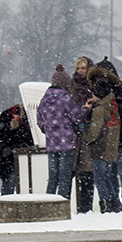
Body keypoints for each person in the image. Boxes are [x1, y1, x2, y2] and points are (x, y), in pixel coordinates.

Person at [36, 64, 85, 199]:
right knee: (65, 177)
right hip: (67, 143)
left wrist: (48, 130)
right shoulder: (65, 98)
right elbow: (77, 117)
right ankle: (62, 204)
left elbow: (39, 120)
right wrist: (85, 109)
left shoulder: (44, 99)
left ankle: (49, 203)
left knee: (53, 177)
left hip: (51, 144)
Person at [98, 57, 122, 212]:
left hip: (121, 136)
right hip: (114, 136)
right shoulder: (119, 88)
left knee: (121, 171)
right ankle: (116, 201)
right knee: (113, 172)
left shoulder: (121, 88)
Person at [81, 71, 121, 213]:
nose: (91, 96)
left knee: (100, 178)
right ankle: (114, 203)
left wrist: (87, 139)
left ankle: (105, 204)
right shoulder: (112, 107)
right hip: (111, 148)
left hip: (100, 148)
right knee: (108, 177)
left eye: (93, 94)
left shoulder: (99, 110)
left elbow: (94, 131)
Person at [0, 105, 34, 196]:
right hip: (8, 157)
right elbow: (1, 137)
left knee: (9, 180)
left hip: (10, 157)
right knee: (10, 179)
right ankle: (7, 200)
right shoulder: (6, 118)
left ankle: (7, 200)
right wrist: (13, 129)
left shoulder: (5, 118)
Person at [71, 56, 97, 214]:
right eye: (78, 68)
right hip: (75, 133)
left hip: (88, 131)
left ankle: (86, 207)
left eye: (83, 68)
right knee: (74, 170)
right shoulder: (72, 85)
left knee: (88, 171)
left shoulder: (93, 85)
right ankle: (75, 205)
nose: (80, 71)